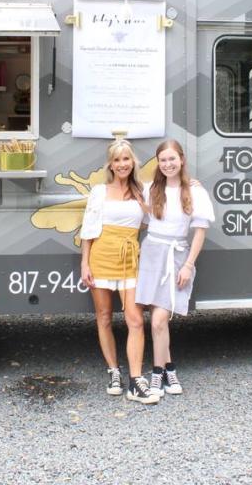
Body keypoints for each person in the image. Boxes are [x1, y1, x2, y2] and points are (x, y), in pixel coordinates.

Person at [80, 138, 159, 404]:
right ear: (110, 165)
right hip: (101, 256)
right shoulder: (99, 192)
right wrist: (85, 263)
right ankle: (114, 370)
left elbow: (159, 210)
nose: (122, 164)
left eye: (126, 159)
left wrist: (190, 185)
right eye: (117, 160)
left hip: (130, 260)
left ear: (132, 162)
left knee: (135, 320)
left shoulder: (143, 191)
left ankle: (136, 381)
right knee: (103, 316)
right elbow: (89, 230)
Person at [136, 139, 215, 398]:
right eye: (163, 160)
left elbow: (200, 231)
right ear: (158, 164)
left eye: (172, 159)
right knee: (157, 321)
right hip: (152, 255)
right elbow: (141, 218)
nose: (168, 164)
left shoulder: (195, 192)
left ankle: (156, 374)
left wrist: (189, 265)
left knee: (160, 319)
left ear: (181, 159)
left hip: (177, 257)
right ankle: (170, 369)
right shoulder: (151, 189)